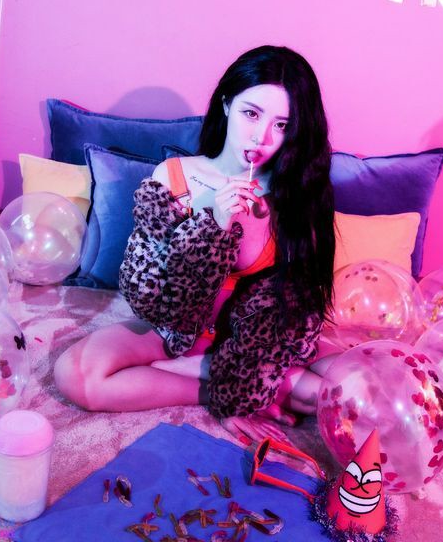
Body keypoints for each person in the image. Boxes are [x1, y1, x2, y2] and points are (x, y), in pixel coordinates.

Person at [54, 45, 336, 442]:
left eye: (282, 124)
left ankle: (220, 376)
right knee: (76, 375)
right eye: (251, 114)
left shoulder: (296, 194)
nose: (261, 137)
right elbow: (148, 292)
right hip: (172, 329)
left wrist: (255, 370)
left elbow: (295, 306)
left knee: (339, 393)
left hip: (252, 343)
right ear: (227, 103)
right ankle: (211, 387)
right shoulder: (175, 176)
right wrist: (213, 221)